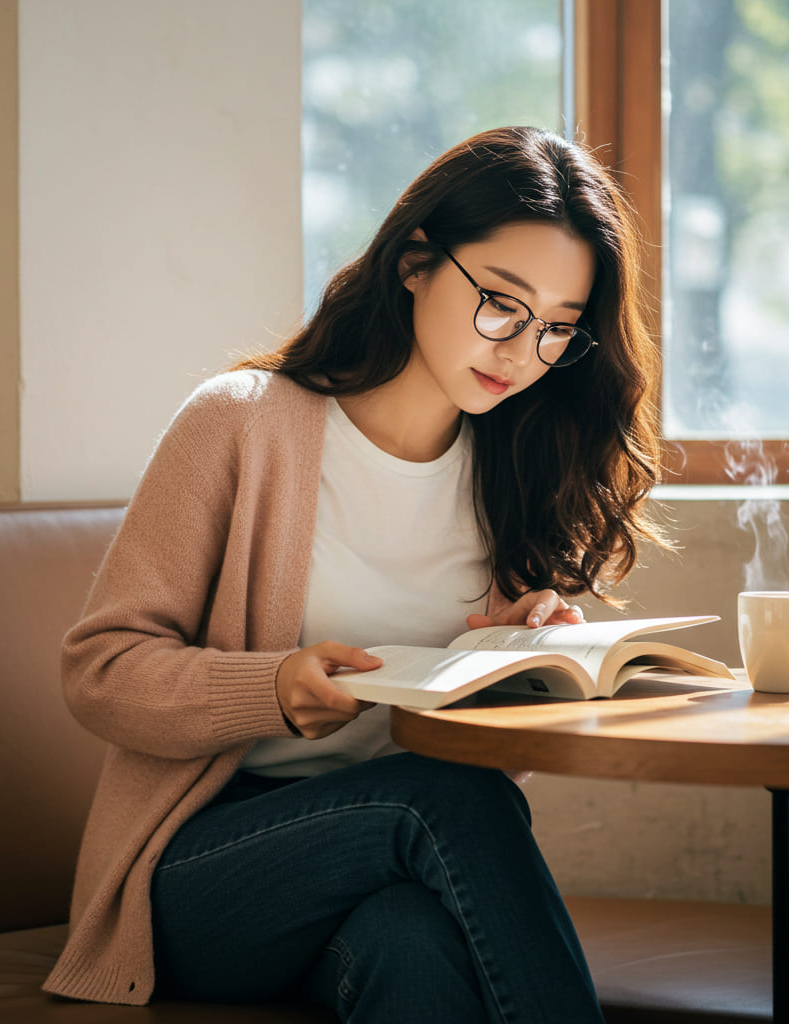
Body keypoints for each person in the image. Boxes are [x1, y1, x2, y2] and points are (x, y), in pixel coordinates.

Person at [43, 125, 664, 1022]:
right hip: (203, 867)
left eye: (557, 331)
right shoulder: (243, 427)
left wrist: (510, 663)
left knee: (412, 947)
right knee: (450, 799)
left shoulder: (509, 471)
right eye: (500, 303)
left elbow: (448, 754)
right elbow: (98, 671)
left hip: (380, 866)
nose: (520, 352)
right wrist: (272, 690)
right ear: (415, 261)